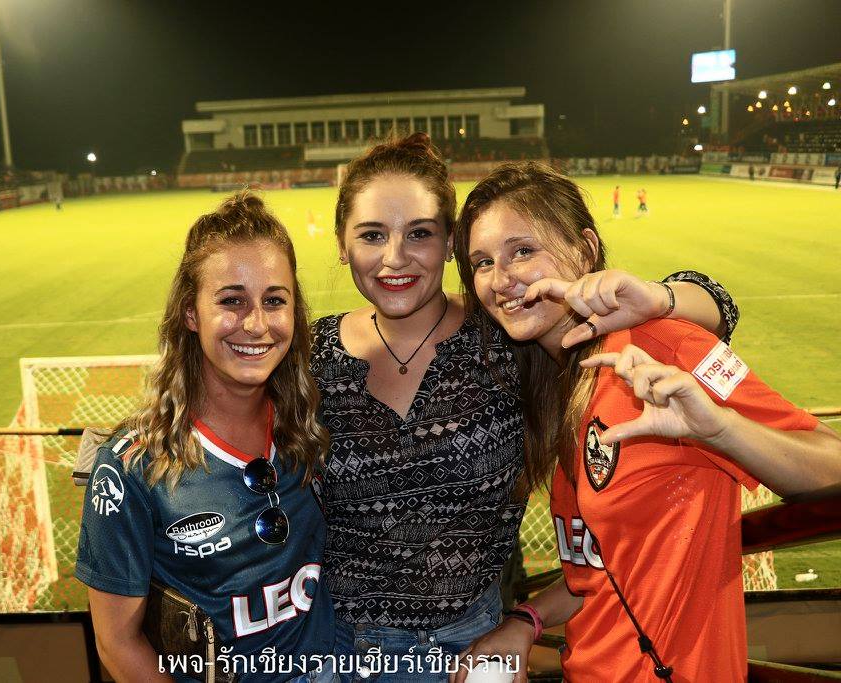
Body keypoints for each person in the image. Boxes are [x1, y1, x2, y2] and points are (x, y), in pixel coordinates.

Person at [314, 134, 737, 681]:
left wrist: (660, 296)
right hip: (338, 650)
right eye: (372, 235)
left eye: (420, 233)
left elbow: (717, 306)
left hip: (476, 648)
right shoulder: (308, 357)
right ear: (342, 244)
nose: (395, 257)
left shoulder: (506, 334)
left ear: (449, 244)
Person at [452, 161, 841, 683]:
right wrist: (527, 619)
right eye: (482, 262)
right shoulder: (550, 386)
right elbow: (601, 572)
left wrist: (720, 429)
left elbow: (833, 463)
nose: (501, 279)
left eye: (523, 251)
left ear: (585, 250)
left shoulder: (664, 349)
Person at [75, 193, 337, 683]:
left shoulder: (313, 421)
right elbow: (116, 643)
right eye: (231, 301)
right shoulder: (133, 466)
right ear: (190, 313)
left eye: (275, 300)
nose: (256, 324)